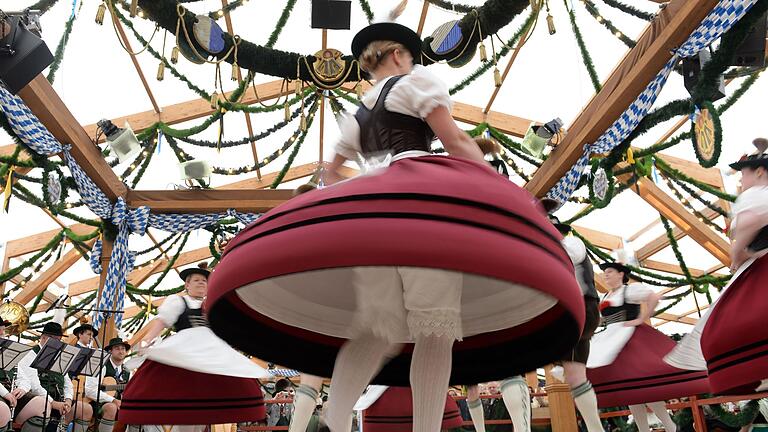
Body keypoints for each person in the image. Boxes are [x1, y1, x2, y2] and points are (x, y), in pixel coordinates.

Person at [206, 11, 585, 432]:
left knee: (376, 332)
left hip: (377, 220)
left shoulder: (359, 112)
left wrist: (365, 205)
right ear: (400, 55)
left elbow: (330, 174)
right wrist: (500, 192)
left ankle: (333, 424)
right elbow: (454, 140)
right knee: (436, 327)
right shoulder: (417, 83)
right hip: (427, 211)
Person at [666, 138, 768, 395]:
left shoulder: (755, 194)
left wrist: (737, 254)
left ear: (759, 171)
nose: (740, 181)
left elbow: (749, 222)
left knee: (724, 330)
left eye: (743, 174)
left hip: (762, 264)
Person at [119, 263, 269, 430]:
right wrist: (146, 342)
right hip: (184, 352)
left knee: (204, 408)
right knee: (185, 405)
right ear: (187, 285)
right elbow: (161, 322)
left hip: (209, 355)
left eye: (204, 281)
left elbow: (225, 331)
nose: (201, 283)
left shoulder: (212, 306)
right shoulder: (178, 302)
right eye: (196, 280)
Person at [585, 263, 705, 432]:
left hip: (630, 339)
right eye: (604, 273)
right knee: (632, 390)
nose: (606, 275)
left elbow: (653, 298)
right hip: (611, 340)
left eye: (610, 272)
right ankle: (651, 429)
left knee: (642, 388)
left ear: (621, 274)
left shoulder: (630, 290)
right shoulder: (605, 296)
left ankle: (670, 427)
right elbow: (602, 319)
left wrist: (641, 318)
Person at [15, 322, 93, 432]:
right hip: (40, 398)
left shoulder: (59, 356)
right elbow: (34, 385)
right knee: (43, 405)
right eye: (54, 339)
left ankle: (61, 428)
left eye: (58, 340)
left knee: (86, 409)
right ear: (43, 337)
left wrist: (68, 400)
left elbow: (67, 382)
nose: (57, 343)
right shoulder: (30, 354)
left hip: (59, 398)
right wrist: (54, 403)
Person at [85, 337, 131, 432]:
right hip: (97, 403)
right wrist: (113, 400)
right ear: (110, 351)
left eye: (123, 349)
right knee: (111, 407)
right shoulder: (102, 365)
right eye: (117, 348)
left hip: (118, 403)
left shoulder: (127, 371)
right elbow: (90, 390)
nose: (121, 351)